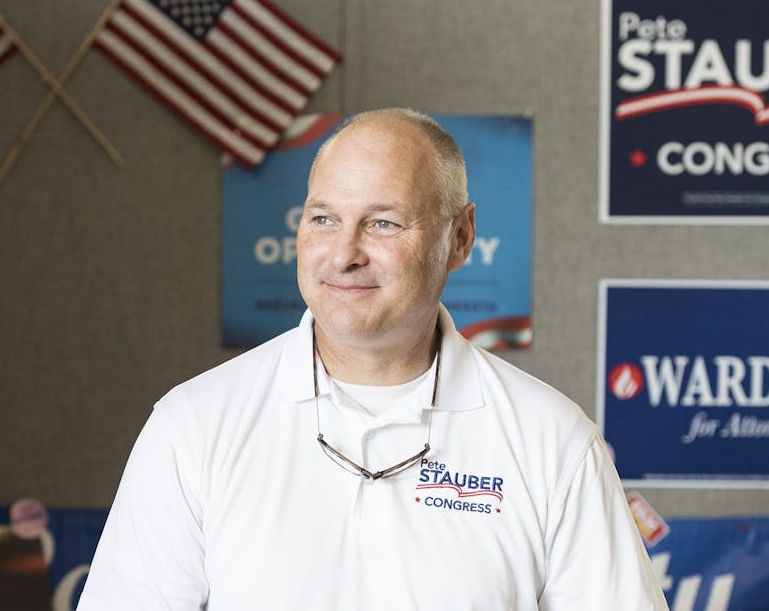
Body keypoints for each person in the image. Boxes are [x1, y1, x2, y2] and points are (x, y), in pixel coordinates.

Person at [78, 108, 669, 610]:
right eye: (323, 219)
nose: (344, 254)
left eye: (383, 223)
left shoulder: (553, 441)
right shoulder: (193, 425)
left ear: (460, 238)